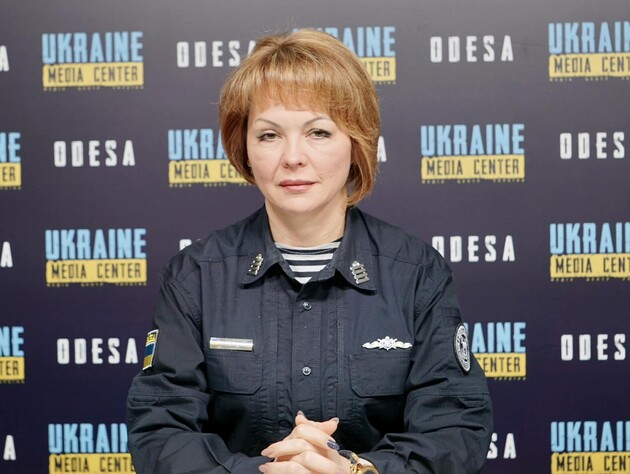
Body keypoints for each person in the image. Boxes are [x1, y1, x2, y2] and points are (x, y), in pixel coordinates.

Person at [127, 28, 493, 474]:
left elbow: (455, 429)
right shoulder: (195, 277)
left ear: (356, 142)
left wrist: (356, 470)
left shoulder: (417, 274)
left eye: (318, 132)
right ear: (244, 148)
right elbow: (160, 433)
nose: (293, 157)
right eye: (269, 135)